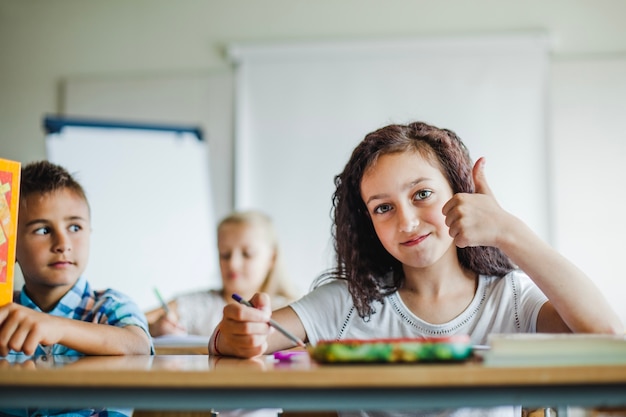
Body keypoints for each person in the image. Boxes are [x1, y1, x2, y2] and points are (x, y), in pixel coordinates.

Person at [210, 121, 623, 416]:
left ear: (461, 195)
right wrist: (238, 332)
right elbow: (240, 341)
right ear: (368, 224)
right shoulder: (350, 303)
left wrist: (508, 231)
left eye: (422, 194)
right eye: (383, 208)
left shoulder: (510, 300)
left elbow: (606, 336)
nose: (406, 222)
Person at [0, 160, 153, 417]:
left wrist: (56, 326)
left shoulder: (110, 305)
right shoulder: (5, 313)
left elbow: (138, 346)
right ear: (10, 245)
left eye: (75, 227)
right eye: (43, 229)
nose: (63, 243)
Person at [146, 210, 299, 337]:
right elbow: (133, 322)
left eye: (247, 254)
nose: (232, 264)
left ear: (272, 258)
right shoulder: (198, 305)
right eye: (225, 254)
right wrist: (154, 328)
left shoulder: (291, 310)